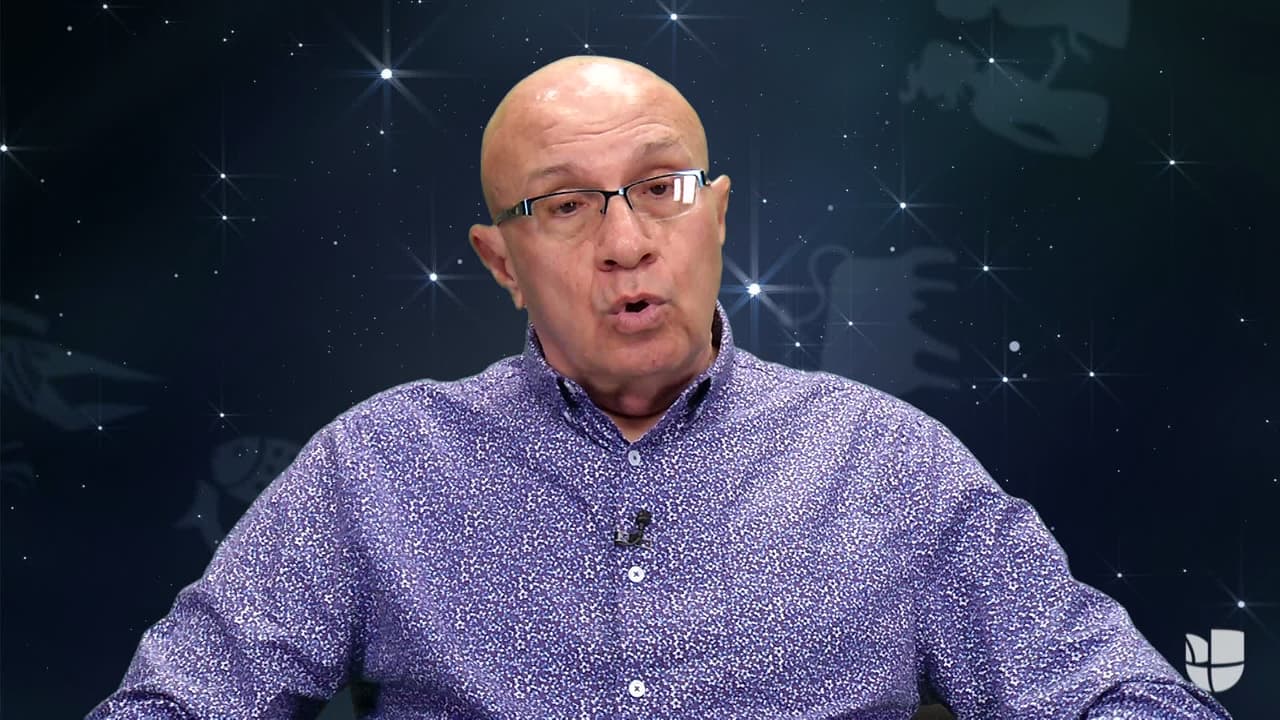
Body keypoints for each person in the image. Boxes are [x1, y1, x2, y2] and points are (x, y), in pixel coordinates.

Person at [86, 55, 1234, 720]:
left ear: (716, 216)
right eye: (564, 205)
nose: (627, 242)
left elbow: (1117, 696)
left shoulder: (887, 465)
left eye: (661, 189)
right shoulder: (376, 468)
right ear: (500, 262)